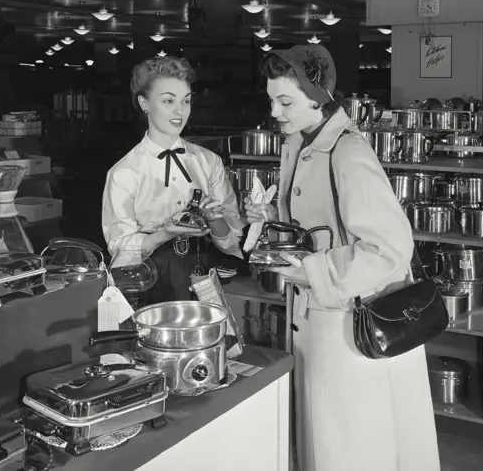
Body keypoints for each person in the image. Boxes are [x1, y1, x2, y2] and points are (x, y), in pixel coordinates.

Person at [245, 45, 440, 471]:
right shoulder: (302, 144)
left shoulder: (347, 153)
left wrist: (313, 270)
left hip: (347, 326)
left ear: (317, 97)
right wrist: (271, 219)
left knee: (351, 444)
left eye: (285, 101)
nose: (275, 111)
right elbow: (318, 224)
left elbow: (389, 248)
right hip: (320, 317)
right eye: (271, 100)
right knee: (332, 439)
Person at [102, 56, 243, 303]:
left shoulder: (209, 162)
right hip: (148, 282)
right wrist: (163, 234)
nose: (180, 111)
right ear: (144, 103)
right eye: (168, 101)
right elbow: (119, 245)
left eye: (186, 101)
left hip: (204, 281)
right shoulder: (124, 172)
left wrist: (215, 218)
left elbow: (231, 239)